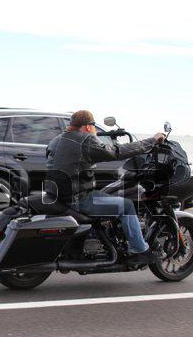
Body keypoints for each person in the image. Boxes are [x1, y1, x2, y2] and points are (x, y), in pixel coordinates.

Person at [45, 110, 166, 264]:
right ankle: (140, 251)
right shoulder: (86, 139)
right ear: (88, 127)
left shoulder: (55, 140)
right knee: (127, 206)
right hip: (77, 199)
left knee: (103, 193)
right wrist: (153, 140)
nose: (95, 131)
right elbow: (116, 152)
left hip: (56, 195)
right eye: (94, 127)